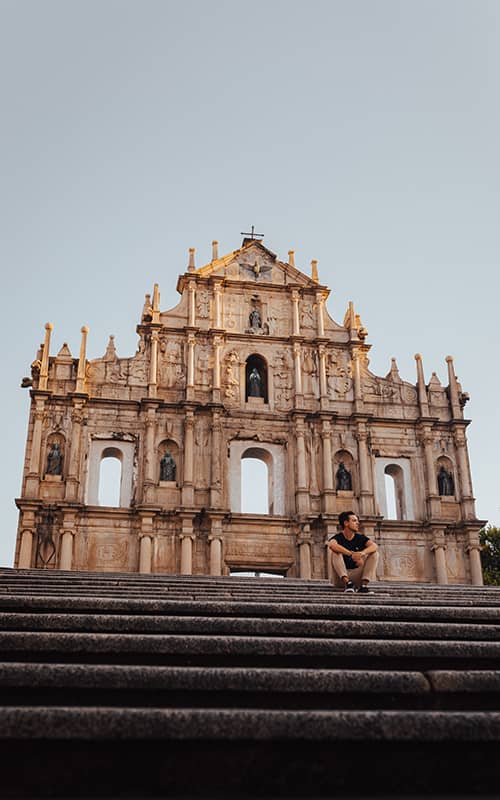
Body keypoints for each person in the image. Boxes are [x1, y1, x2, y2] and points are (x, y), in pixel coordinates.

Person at [327, 510, 379, 593]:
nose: (357, 523)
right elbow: (332, 545)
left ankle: (364, 585)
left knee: (374, 554)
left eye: (357, 521)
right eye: (354, 521)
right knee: (335, 552)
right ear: (346, 523)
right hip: (340, 578)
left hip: (356, 576)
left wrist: (362, 554)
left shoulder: (360, 537)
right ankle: (347, 583)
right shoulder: (338, 537)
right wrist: (351, 554)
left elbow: (375, 546)